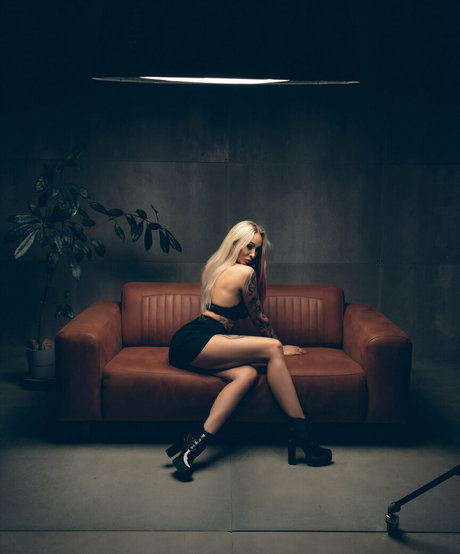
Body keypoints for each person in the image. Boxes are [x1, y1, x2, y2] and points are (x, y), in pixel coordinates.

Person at [167, 221, 332, 480]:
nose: (253, 254)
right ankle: (303, 434)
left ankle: (192, 447)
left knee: (247, 375)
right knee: (273, 347)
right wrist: (279, 347)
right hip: (199, 339)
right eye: (249, 246)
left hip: (189, 343)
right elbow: (259, 319)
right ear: (234, 243)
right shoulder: (245, 273)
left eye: (257, 249)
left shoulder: (212, 267)